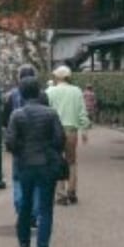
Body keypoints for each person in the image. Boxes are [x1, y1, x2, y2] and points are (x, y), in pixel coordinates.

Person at [5, 76, 65, 247]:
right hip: (46, 164)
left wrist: (21, 151)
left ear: (21, 93)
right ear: (39, 91)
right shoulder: (51, 113)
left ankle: (24, 243)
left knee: (25, 204)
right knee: (46, 209)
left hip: (25, 165)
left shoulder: (17, 115)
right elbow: (59, 139)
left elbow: (10, 143)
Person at [2, 64, 48, 225]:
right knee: (36, 182)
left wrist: (10, 141)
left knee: (17, 179)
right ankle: (34, 214)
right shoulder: (42, 96)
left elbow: (5, 121)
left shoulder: (11, 96)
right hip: (38, 146)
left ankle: (21, 209)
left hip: (19, 146)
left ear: (19, 78)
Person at [46, 65, 91, 205]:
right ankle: (72, 192)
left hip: (54, 131)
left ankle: (61, 194)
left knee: (57, 160)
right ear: (68, 76)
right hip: (71, 131)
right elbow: (82, 112)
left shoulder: (49, 91)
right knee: (72, 161)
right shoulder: (76, 91)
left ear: (56, 77)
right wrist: (84, 130)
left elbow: (46, 112)